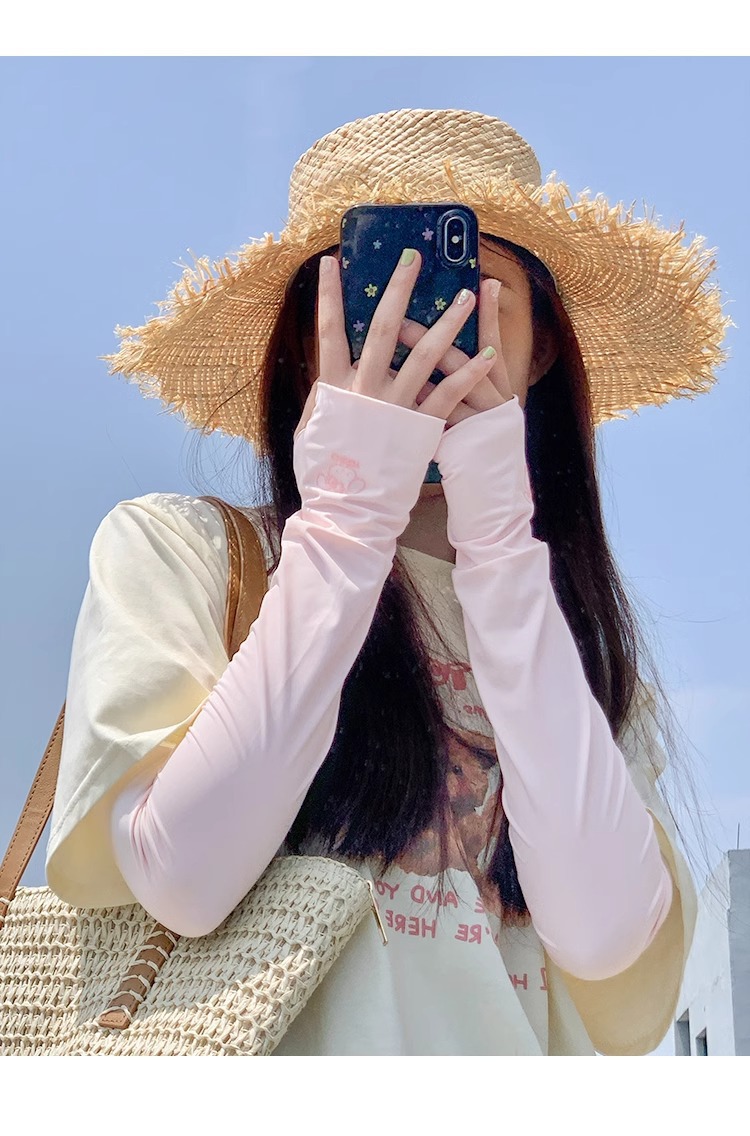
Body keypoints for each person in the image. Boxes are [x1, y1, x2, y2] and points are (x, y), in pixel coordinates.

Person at [44, 108, 728, 1056]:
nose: (424, 337)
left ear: (542, 346)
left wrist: (502, 546)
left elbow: (604, 939)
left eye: (463, 296)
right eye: (377, 301)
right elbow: (182, 876)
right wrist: (345, 524)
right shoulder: (181, 553)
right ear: (308, 338)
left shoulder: (585, 656)